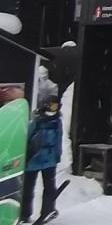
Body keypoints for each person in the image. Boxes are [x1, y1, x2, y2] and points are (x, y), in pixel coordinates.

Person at [22, 95, 62, 225]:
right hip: (34, 159)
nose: (54, 109)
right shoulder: (36, 120)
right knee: (28, 188)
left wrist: (57, 154)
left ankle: (48, 210)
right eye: (52, 105)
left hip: (49, 159)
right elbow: (26, 137)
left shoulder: (57, 121)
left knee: (49, 187)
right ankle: (25, 214)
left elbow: (58, 139)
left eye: (56, 106)